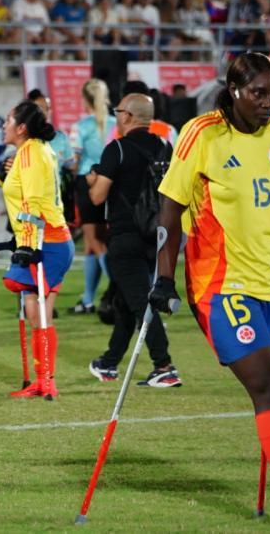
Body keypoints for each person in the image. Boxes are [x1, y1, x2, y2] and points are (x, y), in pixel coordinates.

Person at [150, 53, 270, 533]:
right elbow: (169, 213)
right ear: (234, 90)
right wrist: (163, 278)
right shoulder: (203, 134)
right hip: (220, 284)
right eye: (258, 92)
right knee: (268, 385)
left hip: (269, 282)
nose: (267, 102)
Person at [86, 94, 181, 387]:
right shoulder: (165, 147)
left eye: (118, 111)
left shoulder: (117, 149)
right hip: (156, 235)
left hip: (126, 235)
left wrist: (92, 179)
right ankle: (109, 362)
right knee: (125, 300)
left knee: (140, 302)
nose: (116, 117)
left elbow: (97, 196)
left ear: (127, 116)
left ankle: (164, 365)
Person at [1, 100, 76, 399]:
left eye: (8, 120)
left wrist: (28, 245)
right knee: (36, 307)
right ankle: (43, 379)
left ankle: (46, 380)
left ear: (21, 128)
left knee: (31, 302)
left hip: (47, 240)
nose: (4, 125)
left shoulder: (31, 151)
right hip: (48, 237)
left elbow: (31, 203)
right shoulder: (34, 150)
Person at [71, 78, 112, 314]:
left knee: (96, 242)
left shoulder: (81, 127)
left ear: (85, 99)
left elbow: (74, 161)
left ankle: (120, 291)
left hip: (87, 184)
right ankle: (87, 299)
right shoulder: (116, 124)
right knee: (91, 243)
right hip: (109, 183)